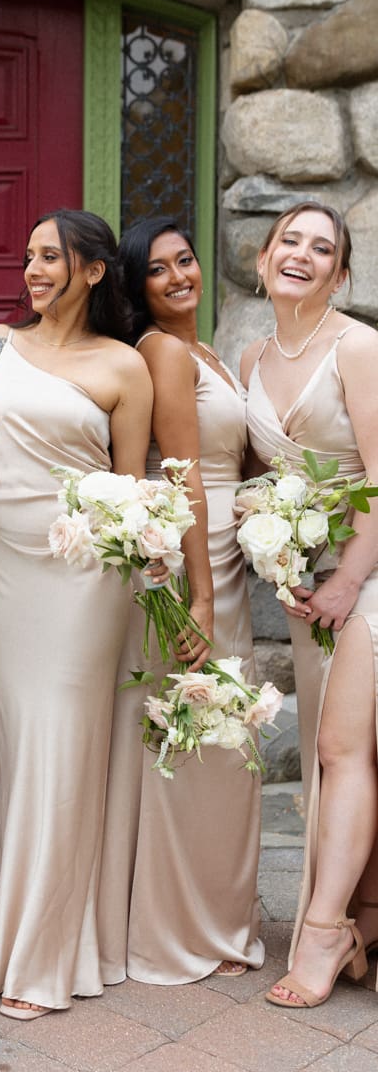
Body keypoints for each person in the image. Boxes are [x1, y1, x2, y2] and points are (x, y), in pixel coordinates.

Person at [0, 210, 152, 1019]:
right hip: (1, 562)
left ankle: (43, 957)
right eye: (26, 255)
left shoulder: (122, 367)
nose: (31, 269)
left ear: (93, 270)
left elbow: (132, 485)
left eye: (49, 257)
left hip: (86, 576)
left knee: (63, 747)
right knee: (10, 744)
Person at [98, 217, 263, 986]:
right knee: (197, 735)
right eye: (157, 270)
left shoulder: (205, 352)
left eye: (186, 261)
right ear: (136, 289)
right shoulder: (161, 351)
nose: (178, 277)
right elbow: (182, 475)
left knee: (220, 742)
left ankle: (212, 912)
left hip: (229, 547)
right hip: (196, 558)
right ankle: (177, 928)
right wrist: (200, 595)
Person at [240, 203, 378, 1008]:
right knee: (348, 747)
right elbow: (273, 480)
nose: (302, 254)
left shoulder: (359, 349)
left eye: (321, 248)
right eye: (290, 240)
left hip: (365, 571)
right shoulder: (255, 354)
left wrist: (348, 579)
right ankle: (364, 914)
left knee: (337, 747)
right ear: (263, 259)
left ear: (341, 274)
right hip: (315, 582)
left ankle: (323, 932)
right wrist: (283, 555)